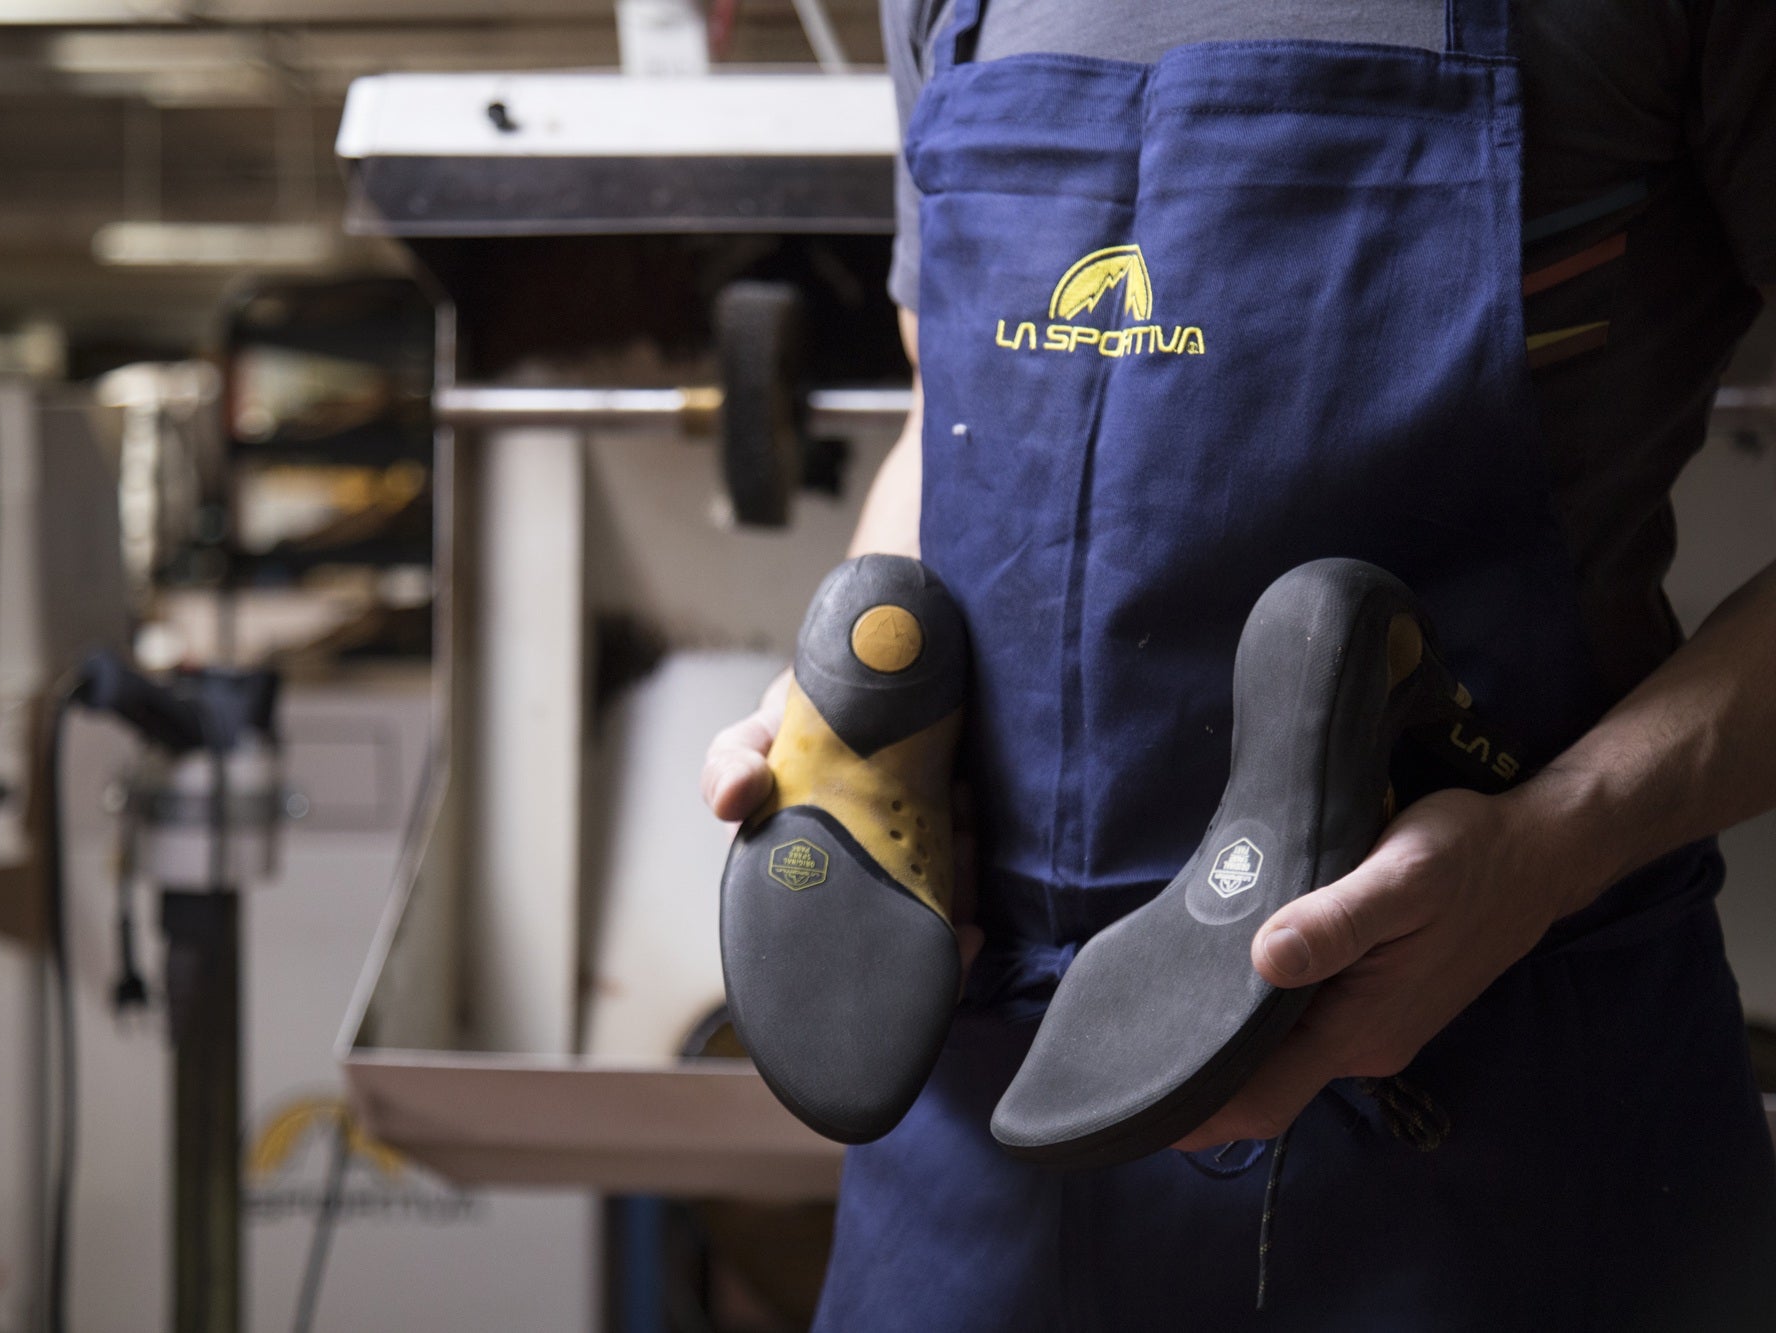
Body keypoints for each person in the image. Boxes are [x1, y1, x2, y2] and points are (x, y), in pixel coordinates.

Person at [704, 1, 1776, 1328]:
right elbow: (957, 407)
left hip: (1491, 1129)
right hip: (983, 1129)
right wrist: (841, 731)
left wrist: (1558, 843)